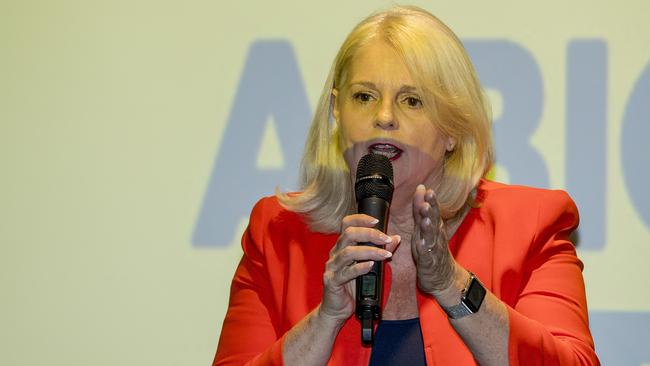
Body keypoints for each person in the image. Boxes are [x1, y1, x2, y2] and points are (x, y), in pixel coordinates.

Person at [213, 5, 599, 366]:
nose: (383, 117)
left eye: (412, 101)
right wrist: (325, 319)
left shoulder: (529, 225)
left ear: (452, 128)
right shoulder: (277, 233)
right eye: (363, 97)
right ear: (337, 111)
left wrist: (452, 286)